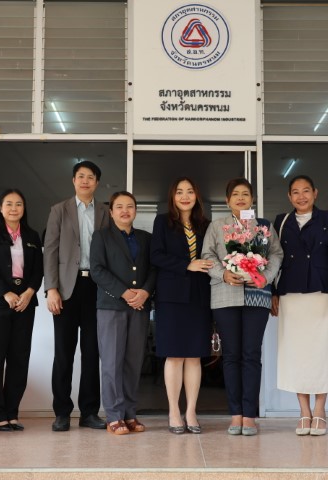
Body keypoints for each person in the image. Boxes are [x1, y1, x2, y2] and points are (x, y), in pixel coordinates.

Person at [201, 178, 282, 436]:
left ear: (252, 199)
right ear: (227, 201)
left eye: (245, 194)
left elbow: (276, 254)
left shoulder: (263, 226)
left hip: (257, 296)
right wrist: (223, 274)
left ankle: (250, 415)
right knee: (231, 356)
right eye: (235, 194)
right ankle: (235, 414)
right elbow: (207, 256)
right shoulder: (217, 226)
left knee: (251, 355)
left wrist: (265, 277)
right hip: (225, 296)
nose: (240, 198)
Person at [271, 175, 328, 436]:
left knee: (322, 353)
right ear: (289, 196)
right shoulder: (281, 221)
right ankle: (304, 411)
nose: (301, 196)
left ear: (315, 193)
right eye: (295, 192)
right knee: (297, 355)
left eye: (306, 191)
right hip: (291, 295)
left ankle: (320, 409)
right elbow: (274, 260)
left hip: (322, 294)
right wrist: (273, 293)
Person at [44, 160, 110, 432]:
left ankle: (89, 412)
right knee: (64, 353)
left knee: (92, 353)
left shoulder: (105, 212)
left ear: (97, 182)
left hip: (96, 288)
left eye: (90, 177)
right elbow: (50, 250)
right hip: (66, 289)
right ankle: (61, 412)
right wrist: (51, 288)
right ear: (73, 180)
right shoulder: (59, 210)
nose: (85, 181)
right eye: (80, 176)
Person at [90, 191, 157, 435]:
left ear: (135, 211)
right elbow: (97, 270)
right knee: (112, 362)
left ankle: (130, 414)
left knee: (133, 362)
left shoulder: (146, 238)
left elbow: (154, 269)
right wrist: (125, 293)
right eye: (119, 206)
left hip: (140, 307)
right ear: (111, 212)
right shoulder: (101, 236)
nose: (125, 211)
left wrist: (145, 292)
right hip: (112, 306)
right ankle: (114, 416)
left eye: (130, 206)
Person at [151, 177, 213, 434]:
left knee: (195, 355)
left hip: (199, 296)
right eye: (179, 192)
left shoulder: (206, 225)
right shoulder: (162, 222)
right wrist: (187, 264)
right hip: (171, 297)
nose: (185, 196)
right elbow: (156, 255)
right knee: (175, 354)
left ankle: (191, 412)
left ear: (197, 196)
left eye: (190, 191)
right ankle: (174, 411)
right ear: (172, 197)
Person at [0, 188, 43, 432]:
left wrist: (29, 292)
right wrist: (5, 293)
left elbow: (38, 269)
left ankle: (12, 413)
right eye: (9, 204)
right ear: (0, 208)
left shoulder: (32, 236)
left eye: (18, 204)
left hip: (25, 303)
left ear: (24, 208)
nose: (14, 208)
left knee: (19, 359)